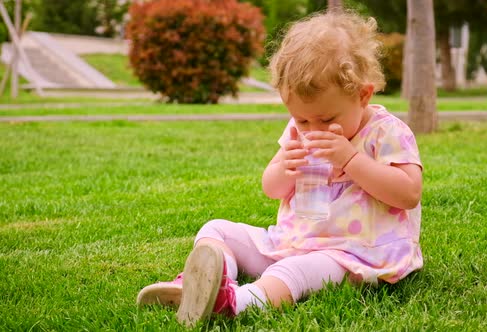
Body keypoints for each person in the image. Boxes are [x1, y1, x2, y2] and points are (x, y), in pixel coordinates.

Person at [136, 10, 424, 328]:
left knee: (292, 272)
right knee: (216, 229)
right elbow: (271, 188)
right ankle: (198, 283)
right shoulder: (298, 130)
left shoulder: (387, 132)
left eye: (327, 119)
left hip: (353, 253)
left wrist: (351, 160)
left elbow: (408, 194)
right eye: (302, 119)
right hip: (292, 240)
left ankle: (237, 303)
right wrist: (286, 168)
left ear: (362, 95)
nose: (311, 129)